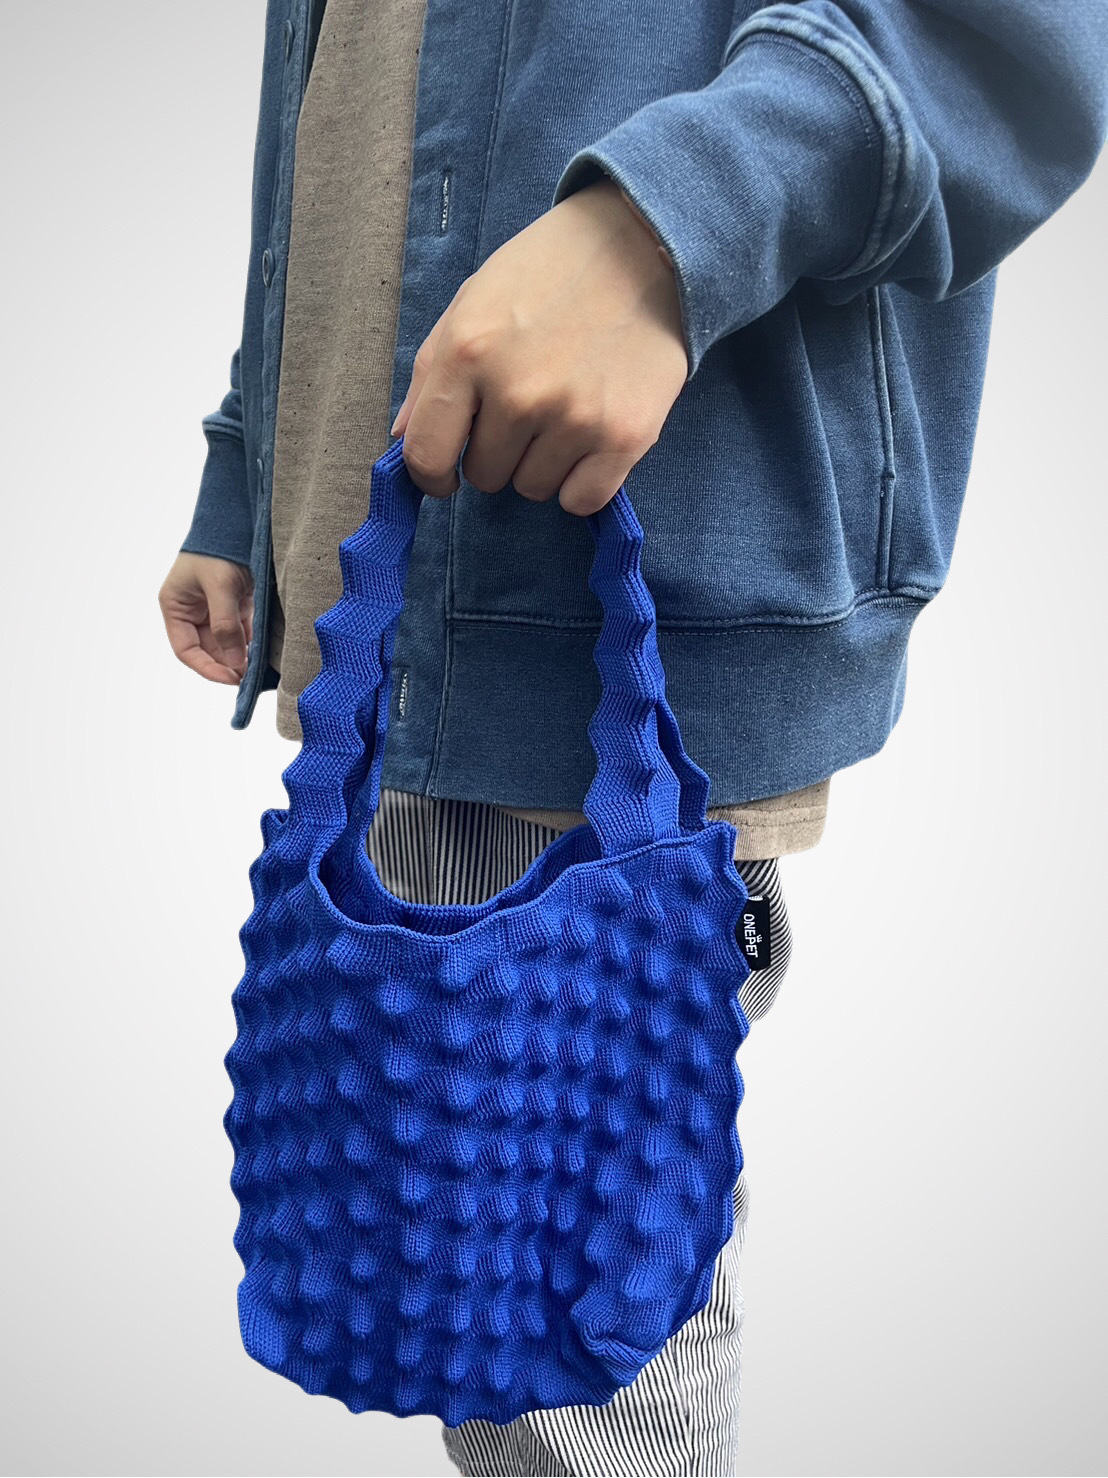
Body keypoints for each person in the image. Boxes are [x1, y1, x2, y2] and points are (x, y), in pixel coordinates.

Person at [158, 2, 1107, 1472]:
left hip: (620, 587)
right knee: (494, 1343)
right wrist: (248, 468)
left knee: (572, 1377)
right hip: (385, 600)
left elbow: (1019, 37)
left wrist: (658, 231)